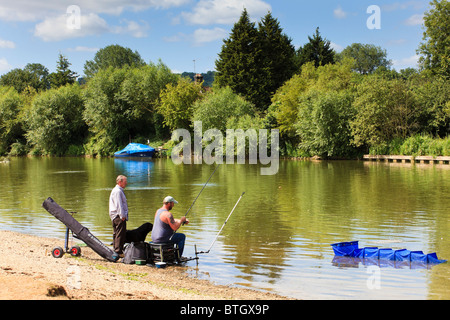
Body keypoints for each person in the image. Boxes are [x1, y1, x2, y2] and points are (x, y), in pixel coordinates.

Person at [109, 175, 128, 257]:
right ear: (120, 182)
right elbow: (119, 204)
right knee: (120, 233)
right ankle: (118, 251)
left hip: (115, 215)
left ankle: (115, 249)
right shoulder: (118, 191)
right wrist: (122, 215)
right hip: (118, 216)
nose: (126, 183)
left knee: (116, 233)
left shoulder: (118, 190)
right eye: (125, 181)